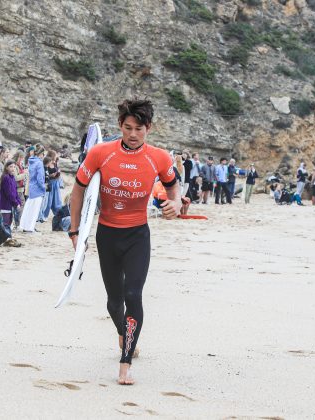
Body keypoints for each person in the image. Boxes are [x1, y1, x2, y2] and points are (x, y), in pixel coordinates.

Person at [69, 99, 180, 385]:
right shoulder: (100, 153)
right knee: (114, 301)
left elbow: (172, 187)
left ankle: (125, 362)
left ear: (148, 129)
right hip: (107, 234)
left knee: (133, 295)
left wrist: (176, 204)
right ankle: (124, 332)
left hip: (137, 235)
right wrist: (75, 231)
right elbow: (79, 191)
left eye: (139, 129)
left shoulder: (159, 158)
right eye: (127, 128)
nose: (132, 134)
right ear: (120, 126)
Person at [20, 143, 45, 233]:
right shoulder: (39, 163)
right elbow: (40, 178)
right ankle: (30, 227)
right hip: (37, 189)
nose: (43, 156)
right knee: (34, 210)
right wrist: (43, 188)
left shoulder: (31, 161)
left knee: (28, 208)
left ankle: (24, 226)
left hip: (31, 187)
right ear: (40, 153)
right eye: (43, 154)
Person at [0, 160, 22, 232]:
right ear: (6, 167)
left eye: (14, 167)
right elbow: (9, 193)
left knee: (9, 222)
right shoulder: (6, 177)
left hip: (11, 204)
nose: (13, 168)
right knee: (5, 223)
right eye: (11, 166)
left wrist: (18, 201)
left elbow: (15, 191)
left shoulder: (12, 177)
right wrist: (15, 203)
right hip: (5, 204)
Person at [40, 151, 62, 221]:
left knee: (57, 200)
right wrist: (51, 175)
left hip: (56, 183)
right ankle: (44, 215)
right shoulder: (47, 163)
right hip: (50, 183)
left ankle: (58, 214)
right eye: (55, 156)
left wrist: (58, 173)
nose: (55, 157)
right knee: (48, 201)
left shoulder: (55, 163)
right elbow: (45, 175)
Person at [12, 150, 27, 229]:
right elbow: (16, 178)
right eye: (21, 158)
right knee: (19, 206)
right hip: (17, 189)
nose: (22, 160)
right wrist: (24, 174)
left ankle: (18, 223)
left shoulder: (20, 165)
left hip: (21, 189)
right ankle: (17, 224)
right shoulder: (14, 166)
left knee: (19, 206)